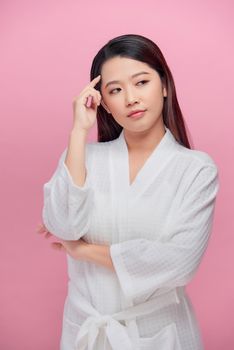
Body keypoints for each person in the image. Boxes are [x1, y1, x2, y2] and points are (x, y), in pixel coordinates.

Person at [40, 34, 219, 349]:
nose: (131, 98)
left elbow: (179, 262)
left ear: (164, 85)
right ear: (104, 104)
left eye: (141, 82)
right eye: (115, 90)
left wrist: (83, 251)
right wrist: (78, 131)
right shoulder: (85, 158)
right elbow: (63, 225)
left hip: (161, 334)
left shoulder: (195, 170)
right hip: (87, 330)